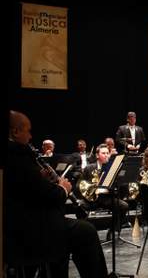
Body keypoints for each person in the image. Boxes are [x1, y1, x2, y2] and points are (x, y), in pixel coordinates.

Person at [6, 110, 107, 278]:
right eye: (28, 131)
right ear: (15, 132)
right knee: (86, 231)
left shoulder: (13, 154)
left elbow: (29, 187)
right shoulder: (18, 154)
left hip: (21, 223)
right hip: (29, 230)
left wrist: (41, 178)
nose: (30, 137)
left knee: (69, 233)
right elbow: (47, 194)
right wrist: (63, 188)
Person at [79, 144, 129, 232]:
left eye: (107, 153)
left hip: (107, 198)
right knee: (79, 206)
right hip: (92, 199)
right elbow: (80, 184)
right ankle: (85, 231)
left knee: (124, 206)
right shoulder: (89, 168)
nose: (106, 155)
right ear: (97, 155)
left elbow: (117, 185)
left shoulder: (112, 169)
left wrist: (109, 188)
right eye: (103, 153)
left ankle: (113, 230)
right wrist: (91, 191)